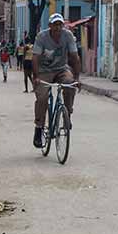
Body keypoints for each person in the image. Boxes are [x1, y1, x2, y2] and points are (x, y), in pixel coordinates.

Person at [31, 14, 81, 148]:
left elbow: (74, 57)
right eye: (55, 24)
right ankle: (39, 128)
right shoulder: (42, 37)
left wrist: (77, 78)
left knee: (70, 85)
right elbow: (35, 58)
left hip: (61, 69)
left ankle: (67, 115)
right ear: (50, 26)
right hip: (43, 71)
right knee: (42, 98)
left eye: (60, 24)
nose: (58, 27)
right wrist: (36, 76)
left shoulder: (68, 36)